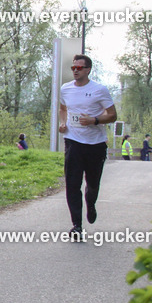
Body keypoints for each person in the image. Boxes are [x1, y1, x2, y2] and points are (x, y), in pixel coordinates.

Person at [58, 55, 117, 241]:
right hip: (73, 142)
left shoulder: (99, 90)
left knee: (92, 184)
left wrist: (95, 120)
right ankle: (77, 226)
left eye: (79, 67)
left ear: (88, 70)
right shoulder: (65, 89)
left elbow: (113, 115)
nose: (75, 70)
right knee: (72, 184)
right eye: (73, 67)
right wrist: (63, 122)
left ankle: (90, 204)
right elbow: (63, 108)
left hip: (95, 144)